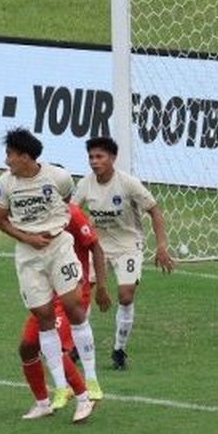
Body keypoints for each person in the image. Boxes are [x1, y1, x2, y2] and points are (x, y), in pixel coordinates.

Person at [0, 127, 97, 423]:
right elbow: (0, 220)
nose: (6, 160)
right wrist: (28, 238)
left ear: (26, 156)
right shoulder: (5, 183)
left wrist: (98, 285)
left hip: (62, 263)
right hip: (30, 258)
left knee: (65, 318)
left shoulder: (60, 183)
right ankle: (48, 399)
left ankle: (85, 390)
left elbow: (85, 233)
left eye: (10, 155)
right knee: (34, 332)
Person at [72, 136, 174, 371]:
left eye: (100, 157)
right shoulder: (86, 184)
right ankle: (78, 345)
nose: (94, 162)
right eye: (91, 157)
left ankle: (119, 349)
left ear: (113, 158)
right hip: (97, 246)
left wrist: (161, 246)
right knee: (83, 293)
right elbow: (72, 213)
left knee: (126, 296)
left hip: (128, 245)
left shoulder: (128, 183)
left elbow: (155, 211)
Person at [20, 203, 110, 418]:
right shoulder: (36, 213)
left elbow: (95, 247)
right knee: (27, 347)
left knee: (51, 343)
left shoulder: (73, 214)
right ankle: (43, 404)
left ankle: (83, 395)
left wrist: (102, 287)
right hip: (47, 292)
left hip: (71, 291)